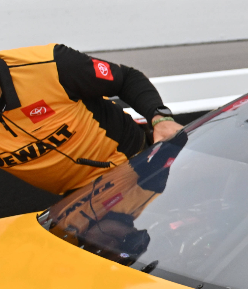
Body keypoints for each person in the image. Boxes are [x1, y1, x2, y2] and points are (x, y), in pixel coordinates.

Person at [0, 45, 182, 197]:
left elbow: (126, 78)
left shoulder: (50, 64)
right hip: (80, 202)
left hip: (140, 159)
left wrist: (160, 118)